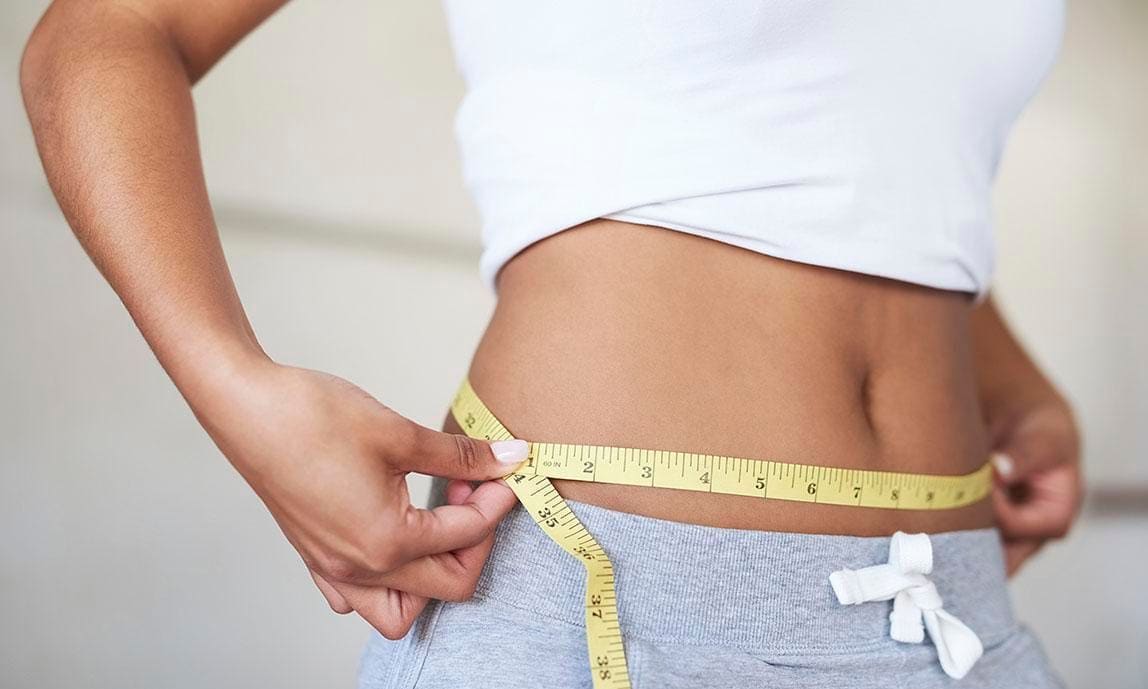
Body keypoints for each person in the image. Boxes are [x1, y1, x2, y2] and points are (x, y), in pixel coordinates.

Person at [20, 1, 1081, 687]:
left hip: (956, 609)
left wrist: (1003, 371)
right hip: (612, 586)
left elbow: (853, 151)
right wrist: (237, 392)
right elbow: (109, 31)